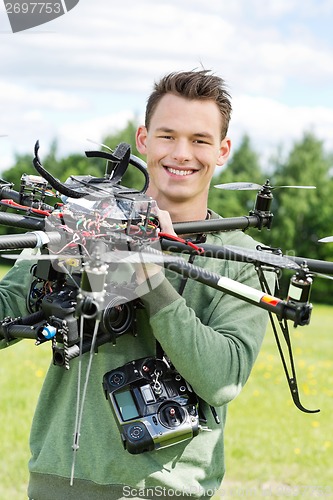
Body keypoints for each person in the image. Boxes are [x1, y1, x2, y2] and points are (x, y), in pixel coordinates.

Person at [0, 69, 275, 499]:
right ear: (143, 140)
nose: (181, 153)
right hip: (58, 485)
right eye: (167, 136)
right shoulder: (85, 223)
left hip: (165, 492)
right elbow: (8, 307)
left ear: (222, 150)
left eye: (200, 140)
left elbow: (221, 378)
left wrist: (151, 280)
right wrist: (54, 266)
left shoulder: (243, 257)